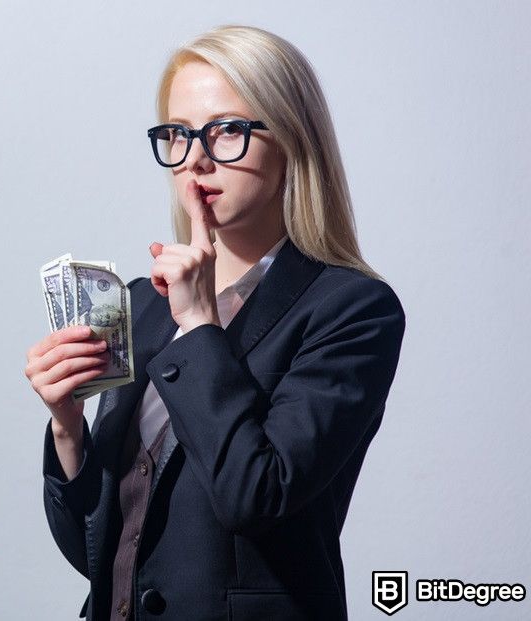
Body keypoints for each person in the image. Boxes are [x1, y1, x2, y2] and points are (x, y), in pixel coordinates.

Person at [24, 24, 406, 621]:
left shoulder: (352, 310)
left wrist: (201, 324)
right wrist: (68, 428)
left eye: (227, 129)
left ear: (291, 141)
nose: (196, 158)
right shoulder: (141, 304)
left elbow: (258, 495)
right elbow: (98, 555)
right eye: (177, 134)